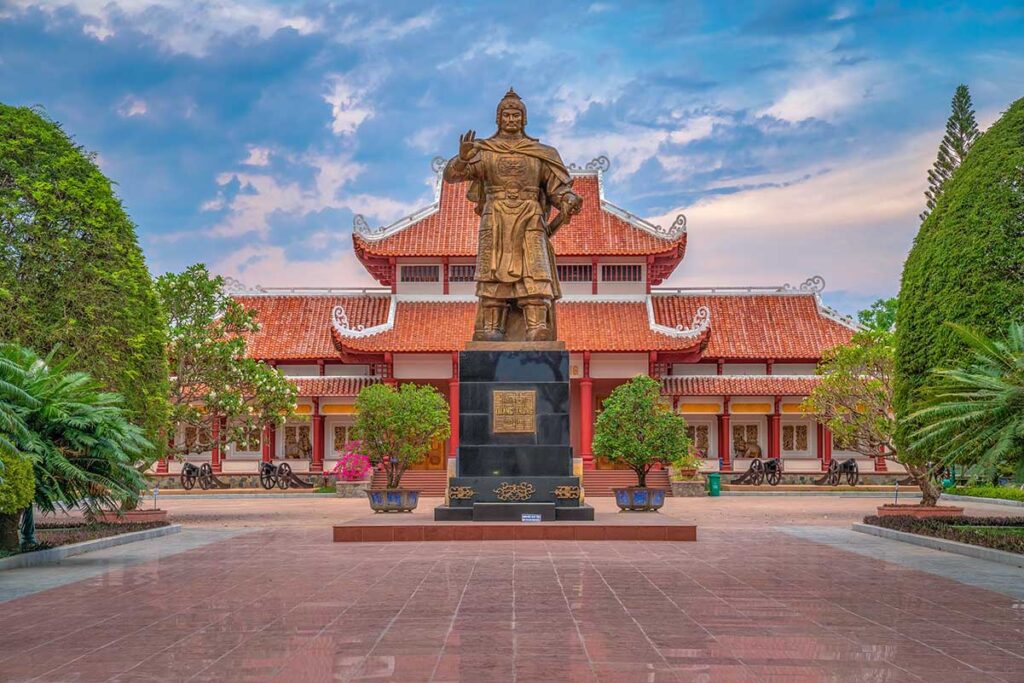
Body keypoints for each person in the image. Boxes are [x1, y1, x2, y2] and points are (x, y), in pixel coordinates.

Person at [444, 88, 582, 341]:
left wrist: (568, 198)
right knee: (492, 270)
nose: (511, 119)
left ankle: (537, 326)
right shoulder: (484, 150)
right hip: (496, 215)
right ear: (498, 118)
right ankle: (491, 327)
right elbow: (452, 176)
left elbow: (557, 188)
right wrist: (462, 160)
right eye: (506, 115)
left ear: (524, 119)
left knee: (535, 270)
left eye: (515, 115)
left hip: (530, 213)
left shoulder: (542, 153)